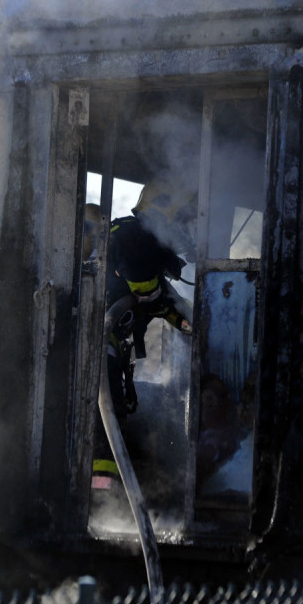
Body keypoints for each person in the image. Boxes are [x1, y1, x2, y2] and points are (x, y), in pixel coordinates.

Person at [90, 180, 195, 504]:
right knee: (103, 434)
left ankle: (105, 499)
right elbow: (143, 281)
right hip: (93, 351)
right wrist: (152, 294)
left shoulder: (150, 257)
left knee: (112, 422)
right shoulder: (132, 233)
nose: (187, 230)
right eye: (186, 219)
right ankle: (99, 503)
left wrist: (190, 323)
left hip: (109, 354)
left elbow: (168, 306)